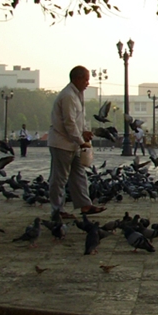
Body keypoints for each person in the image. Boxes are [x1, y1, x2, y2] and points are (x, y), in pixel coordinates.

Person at [47, 66, 105, 219]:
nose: (87, 82)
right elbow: (69, 123)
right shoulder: (68, 96)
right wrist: (81, 141)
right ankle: (57, 211)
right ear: (77, 79)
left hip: (73, 143)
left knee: (79, 174)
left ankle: (85, 205)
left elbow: (79, 120)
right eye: (86, 79)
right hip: (62, 143)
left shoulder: (77, 94)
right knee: (59, 178)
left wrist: (84, 132)